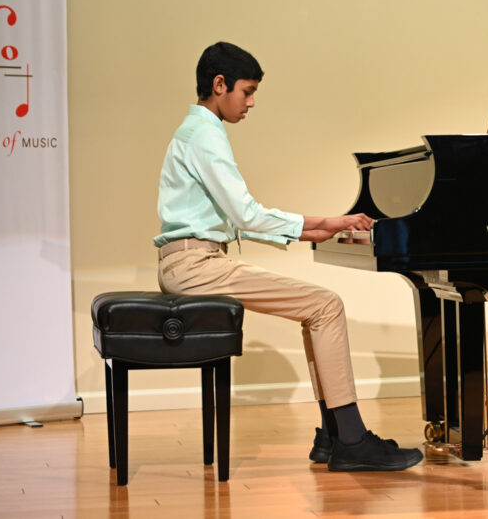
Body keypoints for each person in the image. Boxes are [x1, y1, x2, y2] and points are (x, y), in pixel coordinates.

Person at [153, 41, 422, 472]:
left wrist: (323, 226)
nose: (251, 103)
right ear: (220, 85)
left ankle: (333, 438)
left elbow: (239, 222)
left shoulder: (194, 131)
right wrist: (325, 222)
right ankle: (351, 440)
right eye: (247, 91)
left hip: (188, 262)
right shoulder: (205, 134)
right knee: (326, 305)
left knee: (316, 308)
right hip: (196, 266)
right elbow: (247, 214)